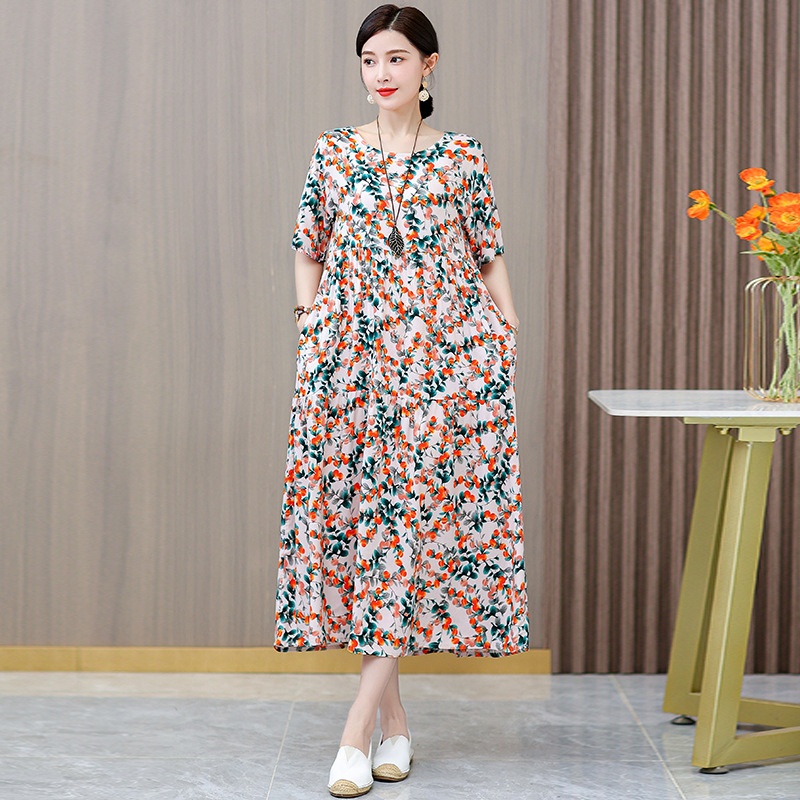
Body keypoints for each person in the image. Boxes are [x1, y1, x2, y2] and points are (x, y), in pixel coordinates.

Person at [275, 4, 528, 797]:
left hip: (442, 372)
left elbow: (488, 255)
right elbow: (308, 247)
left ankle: (354, 733)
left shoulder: (461, 156)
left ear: (429, 66)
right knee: (370, 533)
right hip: (350, 367)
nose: (381, 73)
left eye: (396, 58)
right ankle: (395, 729)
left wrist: (506, 332)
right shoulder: (333, 152)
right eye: (369, 60)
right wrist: (311, 325)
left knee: (409, 530)